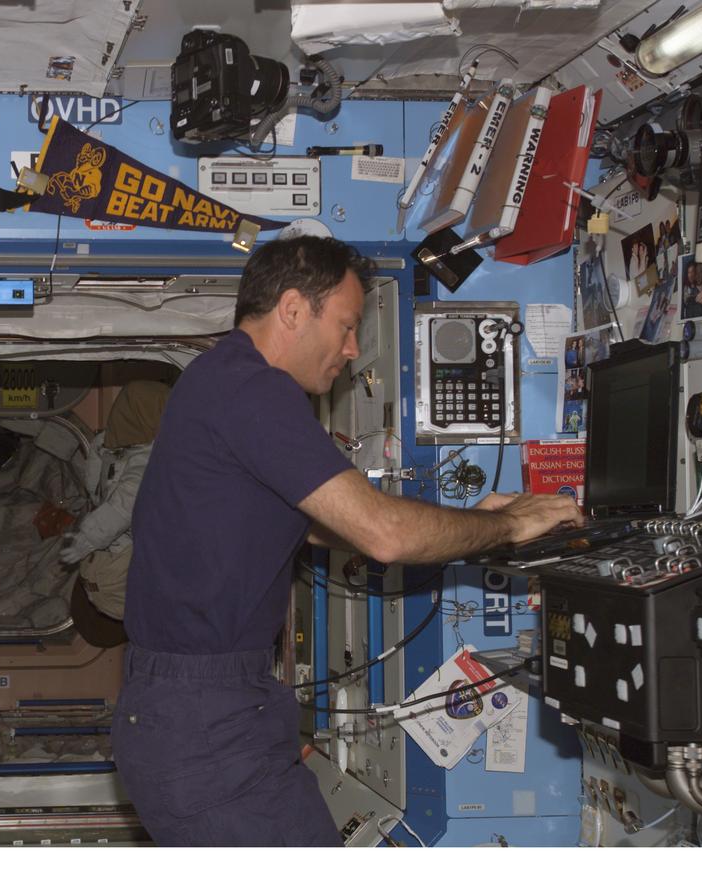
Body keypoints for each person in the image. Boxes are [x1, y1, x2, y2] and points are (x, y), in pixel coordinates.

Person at [111, 236, 582, 847]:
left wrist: (467, 517)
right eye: (346, 325)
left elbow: (315, 519)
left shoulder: (218, 381)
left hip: (196, 711)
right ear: (291, 310)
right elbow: (381, 534)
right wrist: (511, 525)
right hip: (207, 722)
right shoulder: (255, 390)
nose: (353, 350)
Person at [61, 380, 171, 647]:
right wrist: (86, 538)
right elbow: (122, 507)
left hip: (109, 564)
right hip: (120, 563)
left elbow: (100, 494)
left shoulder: (110, 450)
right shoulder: (148, 459)